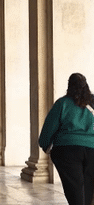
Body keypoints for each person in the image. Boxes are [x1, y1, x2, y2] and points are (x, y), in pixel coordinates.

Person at [39, 73, 94, 205]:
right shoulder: (92, 103)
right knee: (88, 186)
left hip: (67, 151)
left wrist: (45, 145)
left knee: (74, 187)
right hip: (92, 149)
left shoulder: (62, 103)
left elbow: (49, 127)